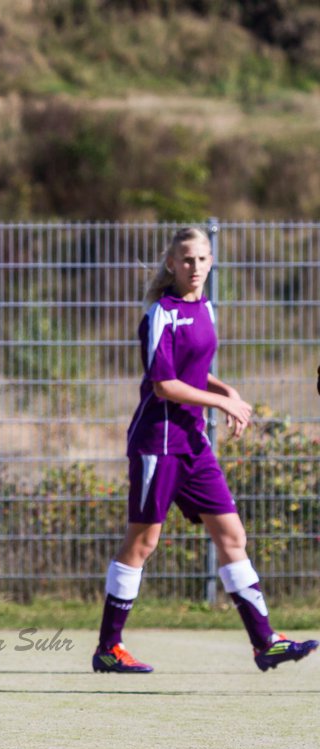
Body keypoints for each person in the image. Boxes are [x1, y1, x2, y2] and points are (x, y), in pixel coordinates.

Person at [94, 226, 317, 673]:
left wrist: (222, 386)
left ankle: (265, 642)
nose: (194, 267)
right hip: (157, 443)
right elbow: (164, 383)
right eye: (186, 259)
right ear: (171, 264)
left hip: (194, 444)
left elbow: (193, 372)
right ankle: (108, 647)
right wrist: (222, 401)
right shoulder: (161, 313)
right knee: (143, 541)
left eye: (202, 259)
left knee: (232, 536)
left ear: (211, 262)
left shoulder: (207, 310)